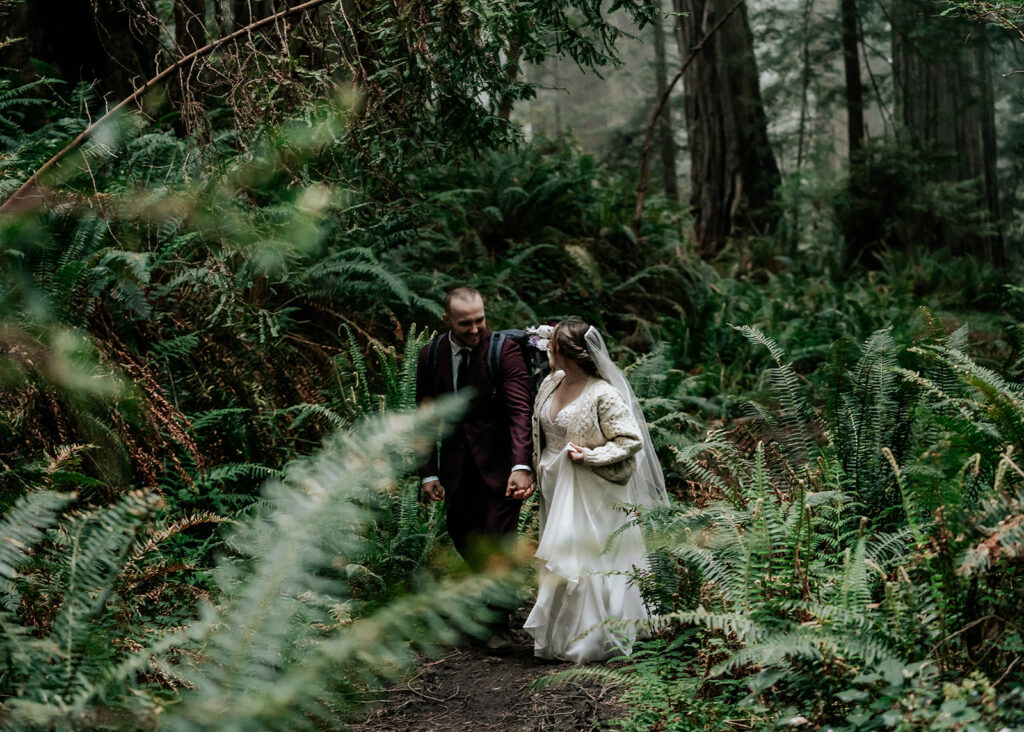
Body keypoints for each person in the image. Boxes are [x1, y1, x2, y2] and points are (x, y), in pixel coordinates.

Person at [520, 318, 669, 663]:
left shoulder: (604, 394)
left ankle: (595, 638)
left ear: (566, 351)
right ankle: (562, 632)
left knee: (590, 557)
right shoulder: (550, 382)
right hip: (555, 483)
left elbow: (630, 440)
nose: (546, 348)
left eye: (552, 344)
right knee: (562, 553)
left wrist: (591, 456)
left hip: (594, 487)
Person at [415, 287, 535, 649]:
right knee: (460, 531)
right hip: (456, 465)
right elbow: (424, 416)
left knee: (499, 539)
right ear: (446, 320)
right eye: (465, 323)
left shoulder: (503, 350)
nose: (475, 328)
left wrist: (521, 464)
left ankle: (497, 624)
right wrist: (428, 471)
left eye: (480, 319)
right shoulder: (431, 354)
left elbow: (520, 411)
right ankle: (494, 595)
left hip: (502, 465)